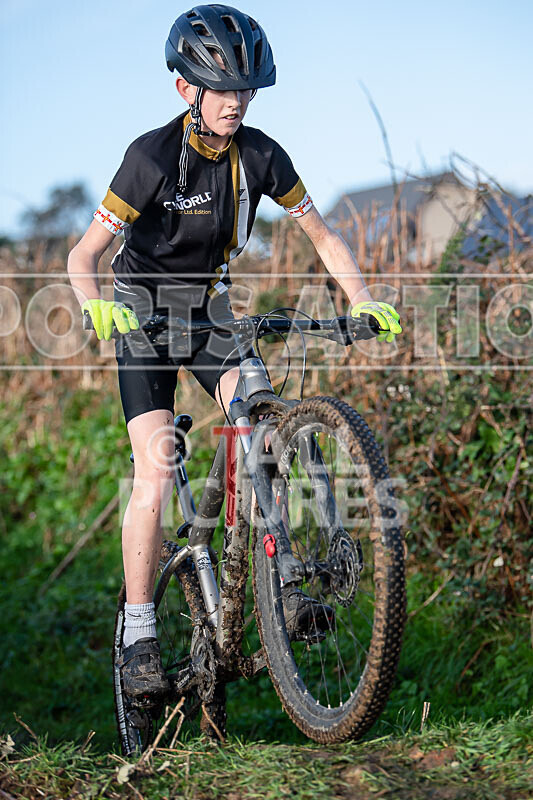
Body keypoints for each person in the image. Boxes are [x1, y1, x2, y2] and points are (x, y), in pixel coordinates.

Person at [67, 4, 402, 698]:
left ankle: (285, 587)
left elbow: (321, 234)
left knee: (261, 421)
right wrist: (94, 302)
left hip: (210, 313)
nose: (235, 102)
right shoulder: (150, 158)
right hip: (141, 316)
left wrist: (362, 298)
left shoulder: (262, 156)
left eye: (245, 90)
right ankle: (138, 634)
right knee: (156, 469)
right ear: (185, 88)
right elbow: (83, 254)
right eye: (221, 89)